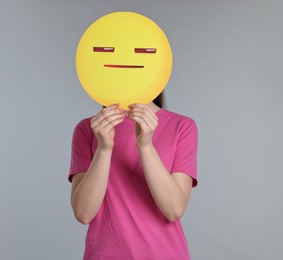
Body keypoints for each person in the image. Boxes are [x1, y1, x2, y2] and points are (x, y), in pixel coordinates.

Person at [68, 92, 198, 259]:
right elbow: (83, 213)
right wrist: (104, 149)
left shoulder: (182, 126)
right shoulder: (88, 129)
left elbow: (174, 210)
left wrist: (145, 146)